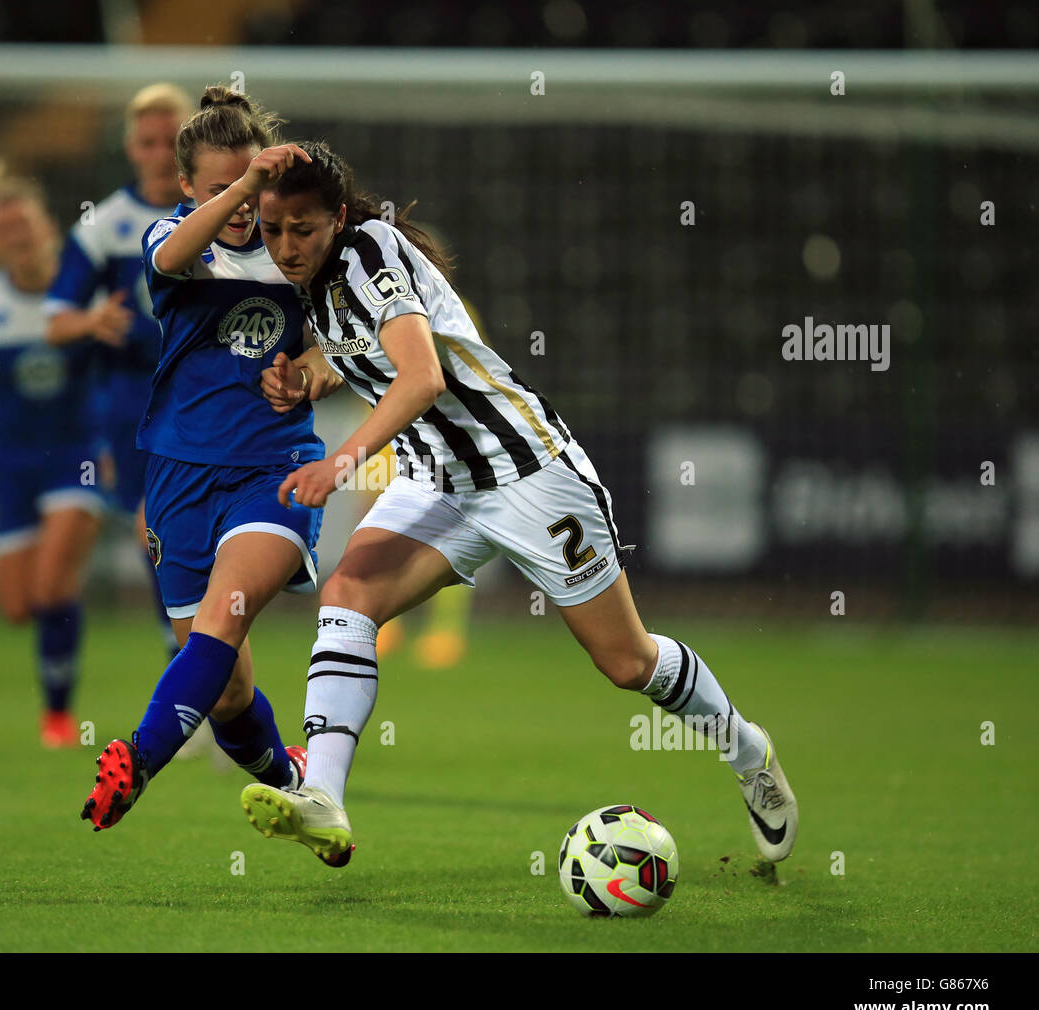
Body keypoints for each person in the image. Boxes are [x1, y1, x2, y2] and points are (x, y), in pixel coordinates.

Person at [241, 141, 799, 868]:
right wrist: (309, 377)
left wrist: (341, 461)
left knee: (627, 662)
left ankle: (748, 750)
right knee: (346, 595)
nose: (285, 246)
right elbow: (360, 354)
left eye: (302, 230)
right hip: (437, 479)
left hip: (526, 473)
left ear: (337, 218)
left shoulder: (368, 254)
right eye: (274, 229)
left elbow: (422, 377)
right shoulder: (316, 278)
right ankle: (323, 797)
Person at [79, 89, 343, 833]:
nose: (245, 206)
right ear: (189, 185)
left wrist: (317, 368)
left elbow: (351, 346)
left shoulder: (297, 253)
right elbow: (172, 253)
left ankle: (139, 756)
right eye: (227, 187)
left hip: (274, 468)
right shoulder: (173, 242)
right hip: (179, 477)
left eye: (254, 188)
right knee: (226, 691)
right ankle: (294, 782)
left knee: (220, 628)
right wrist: (248, 182)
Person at [0, 161, 103, 747]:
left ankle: (58, 715)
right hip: (8, 463)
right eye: (5, 230)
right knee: (19, 606)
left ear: (48, 227)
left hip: (77, 456)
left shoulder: (82, 289)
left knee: (52, 582)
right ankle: (61, 636)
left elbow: (118, 368)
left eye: (25, 225)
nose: (18, 237)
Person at [44, 83, 192, 661]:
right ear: (131, 147)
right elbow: (55, 321)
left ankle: (204, 667)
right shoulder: (104, 226)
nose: (159, 153)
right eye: (148, 141)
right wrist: (91, 321)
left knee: (192, 533)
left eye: (171, 141)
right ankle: (189, 664)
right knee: (155, 530)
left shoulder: (218, 215)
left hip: (213, 395)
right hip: (134, 401)